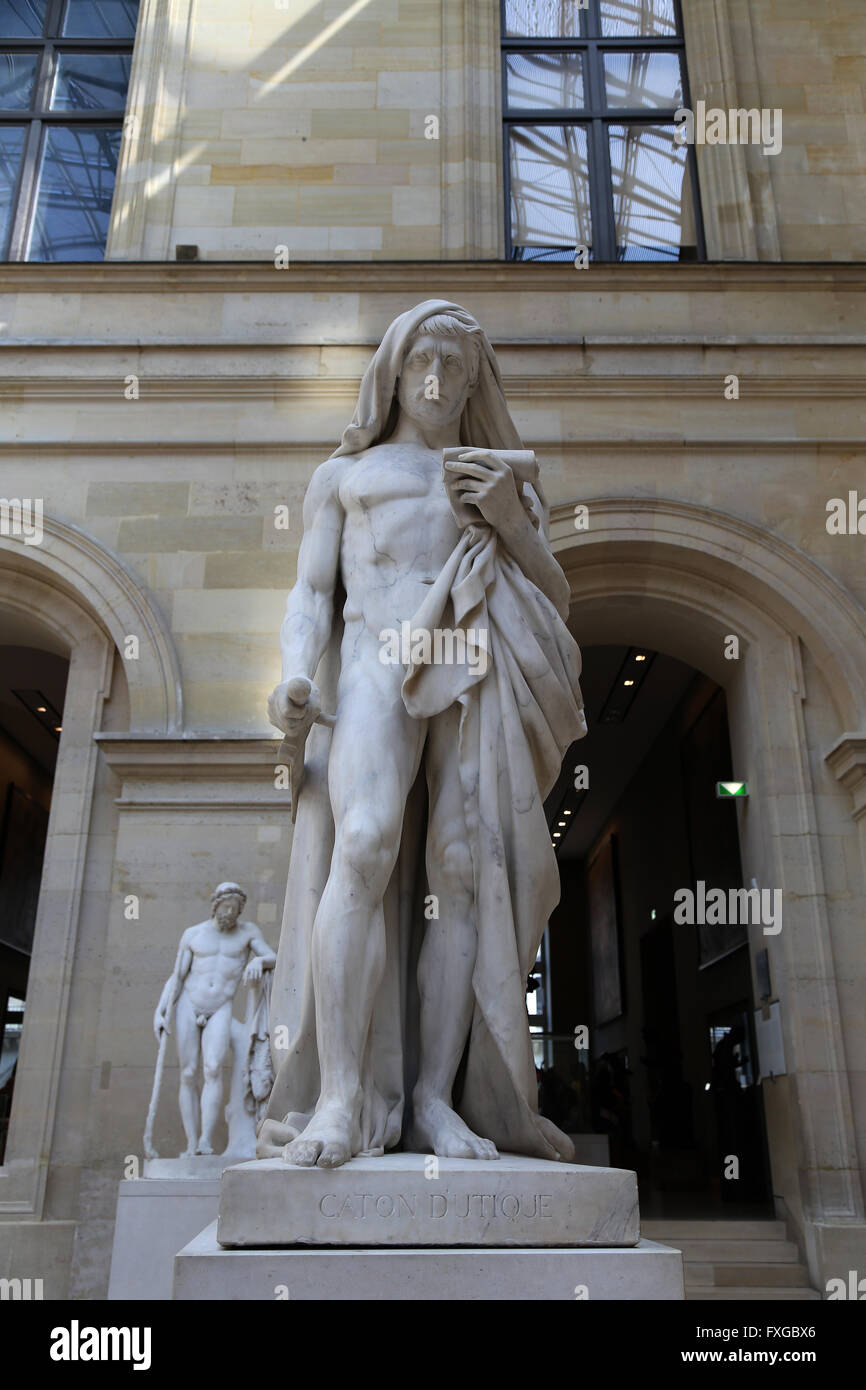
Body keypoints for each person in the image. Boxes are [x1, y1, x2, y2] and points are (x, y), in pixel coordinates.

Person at [258, 300, 586, 1169]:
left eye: (454, 369)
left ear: (475, 379)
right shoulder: (345, 476)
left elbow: (552, 600)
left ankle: (438, 1100)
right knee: (361, 845)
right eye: (421, 366)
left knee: (460, 870)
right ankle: (339, 1099)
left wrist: (511, 520)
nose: (437, 384)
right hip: (374, 655)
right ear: (393, 372)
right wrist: (294, 675)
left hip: (467, 665)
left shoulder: (494, 475)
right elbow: (310, 593)